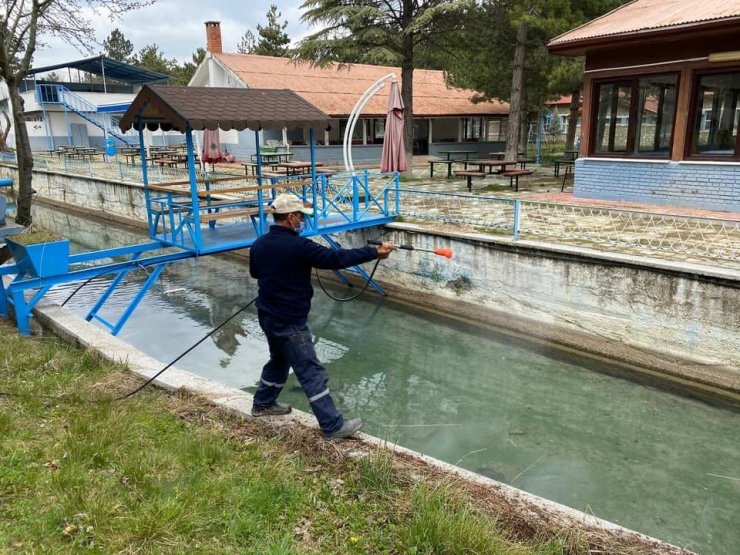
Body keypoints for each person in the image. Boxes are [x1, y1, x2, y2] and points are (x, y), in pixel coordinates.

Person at [249, 193, 395, 439]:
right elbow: (335, 259)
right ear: (291, 217)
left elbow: (255, 273)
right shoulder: (299, 246)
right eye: (301, 218)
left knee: (279, 361)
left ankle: (262, 404)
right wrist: (374, 252)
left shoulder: (260, 244)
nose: (302, 222)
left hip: (267, 315)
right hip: (290, 321)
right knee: (311, 371)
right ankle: (332, 425)